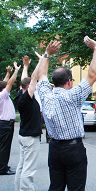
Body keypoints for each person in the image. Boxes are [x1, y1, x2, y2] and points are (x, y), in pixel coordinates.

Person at [37, 36, 96, 191]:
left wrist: (47, 53)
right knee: (76, 188)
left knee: (56, 187)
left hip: (54, 149)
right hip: (73, 149)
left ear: (54, 81)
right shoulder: (73, 96)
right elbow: (93, 74)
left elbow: (41, 75)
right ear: (69, 82)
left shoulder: (45, 94)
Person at [15, 55, 42, 190]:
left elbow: (24, 80)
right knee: (29, 169)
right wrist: (44, 58)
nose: (35, 86)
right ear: (28, 87)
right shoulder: (26, 98)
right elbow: (33, 78)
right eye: (33, 85)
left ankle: (18, 188)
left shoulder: (20, 94)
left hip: (23, 136)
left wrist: (25, 66)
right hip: (30, 138)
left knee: (22, 165)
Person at [0, 62, 21, 175]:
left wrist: (8, 73)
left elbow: (5, 82)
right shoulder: (2, 95)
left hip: (4, 124)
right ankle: (2, 169)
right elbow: (9, 83)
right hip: (5, 124)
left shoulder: (1, 94)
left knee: (3, 147)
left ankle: (3, 166)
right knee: (4, 148)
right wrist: (16, 70)